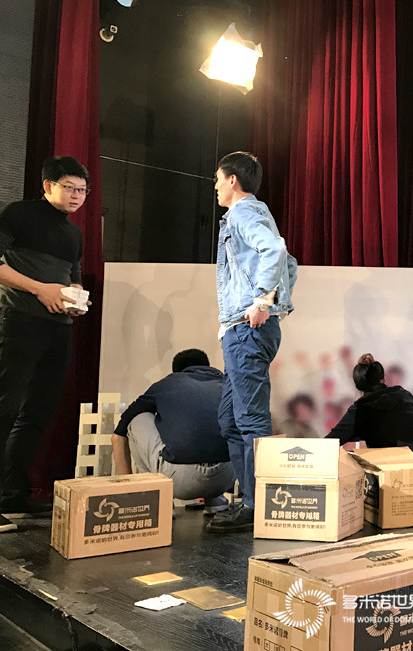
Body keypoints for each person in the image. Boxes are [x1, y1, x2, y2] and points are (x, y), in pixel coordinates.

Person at [0, 156, 93, 534]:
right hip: (17, 320)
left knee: (38, 411)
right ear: (48, 185)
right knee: (2, 409)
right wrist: (40, 289)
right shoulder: (18, 214)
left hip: (58, 327)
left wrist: (76, 297)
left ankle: (13, 494)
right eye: (69, 187)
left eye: (83, 190)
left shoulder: (73, 233)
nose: (77, 195)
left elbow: (73, 277)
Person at [207, 152, 297, 534]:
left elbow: (276, 251)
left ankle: (256, 505)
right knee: (230, 420)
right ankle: (247, 501)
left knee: (249, 420)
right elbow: (289, 264)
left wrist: (263, 301)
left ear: (232, 180)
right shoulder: (249, 214)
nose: (215, 186)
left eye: (217, 179)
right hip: (239, 329)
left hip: (247, 330)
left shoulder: (244, 212)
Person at [112, 349, 236, 514]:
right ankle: (216, 500)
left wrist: (126, 491)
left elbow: (118, 435)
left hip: (179, 481)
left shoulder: (167, 384)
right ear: (207, 366)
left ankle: (153, 499)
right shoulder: (228, 385)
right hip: (226, 478)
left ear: (176, 371)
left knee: (137, 419)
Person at [326, 354, 413, 457]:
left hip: (390, 468)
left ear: (358, 386)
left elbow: (327, 444)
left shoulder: (358, 411)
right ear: (383, 379)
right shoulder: (403, 395)